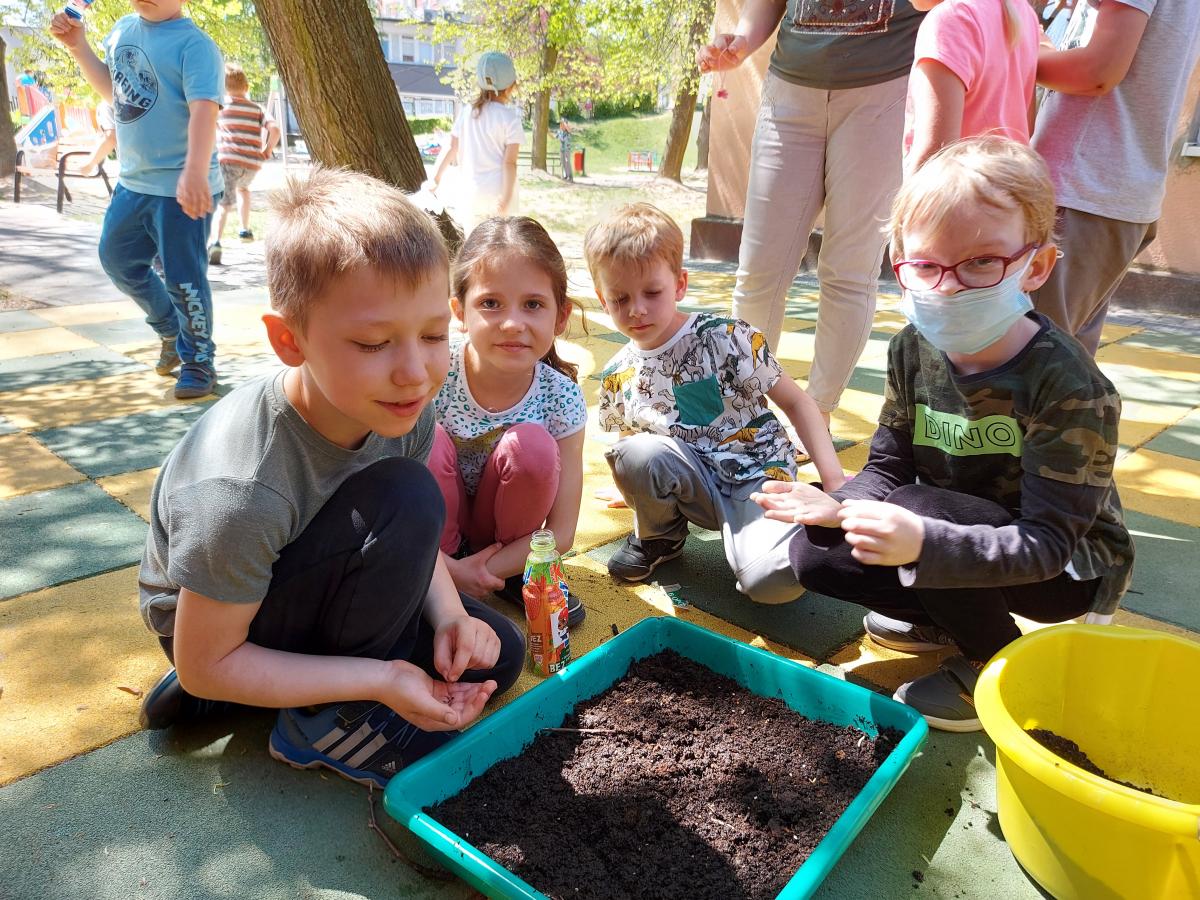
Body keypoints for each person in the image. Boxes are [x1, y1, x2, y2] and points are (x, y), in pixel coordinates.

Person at [134, 167, 525, 788]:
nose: (414, 372)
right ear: (290, 340)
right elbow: (207, 662)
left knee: (496, 653)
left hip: (314, 576)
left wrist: (452, 616)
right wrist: (381, 680)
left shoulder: (401, 406)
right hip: (218, 631)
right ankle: (317, 721)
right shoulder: (242, 492)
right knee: (409, 494)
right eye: (373, 344)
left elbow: (407, 543)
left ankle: (263, 690)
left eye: (432, 335)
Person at [754, 137, 1133, 733]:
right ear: (901, 263)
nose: (949, 287)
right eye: (927, 266)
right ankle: (946, 617)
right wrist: (837, 506)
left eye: (982, 262)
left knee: (918, 512)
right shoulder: (913, 348)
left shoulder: (1069, 385)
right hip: (956, 521)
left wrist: (925, 544)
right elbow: (887, 467)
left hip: (1066, 568)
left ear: (1035, 266)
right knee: (815, 552)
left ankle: (995, 663)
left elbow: (1050, 544)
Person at [587, 203, 846, 604]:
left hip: (756, 476)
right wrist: (637, 491)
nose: (636, 309)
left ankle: (797, 524)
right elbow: (630, 442)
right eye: (620, 298)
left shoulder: (723, 336)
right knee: (634, 452)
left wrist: (835, 482)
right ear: (603, 300)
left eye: (652, 293)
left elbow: (797, 403)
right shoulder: (618, 372)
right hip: (695, 485)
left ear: (680, 284)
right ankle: (661, 538)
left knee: (771, 586)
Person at [698, 1, 923, 424]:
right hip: (789, 88)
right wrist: (742, 40)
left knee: (848, 270)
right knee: (759, 269)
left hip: (886, 86)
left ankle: (816, 418)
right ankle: (742, 410)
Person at [50, 0, 223, 400]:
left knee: (184, 279)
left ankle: (198, 360)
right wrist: (78, 47)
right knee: (117, 260)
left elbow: (204, 111)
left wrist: (195, 171)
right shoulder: (123, 30)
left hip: (182, 187)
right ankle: (169, 328)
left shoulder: (195, 46)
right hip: (134, 182)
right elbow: (116, 93)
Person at [430, 217, 588, 628]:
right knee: (425, 441)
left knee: (532, 449)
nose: (513, 323)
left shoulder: (560, 397)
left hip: (505, 543)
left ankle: (512, 574)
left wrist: (482, 572)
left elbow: (562, 532)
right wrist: (448, 570)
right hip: (433, 545)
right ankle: (435, 578)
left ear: (561, 316)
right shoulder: (433, 372)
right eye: (490, 303)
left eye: (533, 304)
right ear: (459, 311)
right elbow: (393, 485)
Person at [1031, 0, 1200, 356]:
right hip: (1109, 190)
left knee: (1029, 359)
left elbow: (1099, 72)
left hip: (1082, 187)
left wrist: (1023, 56)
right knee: (1065, 363)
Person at [903, 0, 1040, 175]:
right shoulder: (1022, 11)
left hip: (960, 188)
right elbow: (1026, 125)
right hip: (1009, 183)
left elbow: (935, 157)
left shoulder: (951, 19)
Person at [428, 51, 522, 233]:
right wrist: (505, 199)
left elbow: (451, 147)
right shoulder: (510, 119)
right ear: (511, 86)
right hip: (497, 194)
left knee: (474, 242)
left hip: (471, 194)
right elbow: (509, 163)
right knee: (499, 244)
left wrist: (435, 179)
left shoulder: (466, 113)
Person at [208, 62, 280, 266]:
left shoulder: (221, 107)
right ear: (247, 87)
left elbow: (210, 126)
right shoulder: (257, 109)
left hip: (229, 161)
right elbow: (275, 130)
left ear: (222, 89)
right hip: (251, 163)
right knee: (244, 189)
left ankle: (215, 242)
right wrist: (267, 150)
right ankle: (244, 229)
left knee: (223, 203)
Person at [556, 117, 574, 181]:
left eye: (562, 124)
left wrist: (564, 122)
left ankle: (570, 176)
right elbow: (553, 137)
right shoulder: (559, 132)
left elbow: (569, 130)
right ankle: (565, 175)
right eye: (560, 124)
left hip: (567, 149)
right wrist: (548, 131)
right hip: (562, 150)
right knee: (563, 162)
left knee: (567, 161)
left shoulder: (568, 131)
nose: (560, 125)